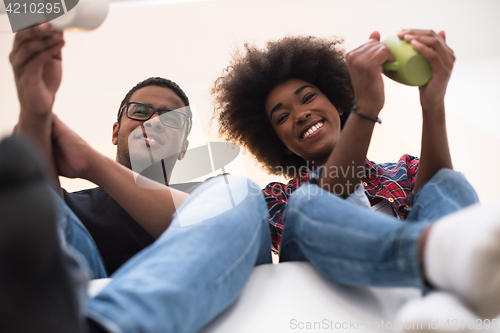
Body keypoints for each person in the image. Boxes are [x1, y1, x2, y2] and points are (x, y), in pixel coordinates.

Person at [213, 30, 500, 319]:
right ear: (280, 144)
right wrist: (366, 108)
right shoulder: (276, 197)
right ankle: (436, 256)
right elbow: (326, 199)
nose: (300, 114)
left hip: (421, 304)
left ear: (338, 105)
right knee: (308, 201)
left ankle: (443, 301)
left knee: (448, 181)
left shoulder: (405, 170)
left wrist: (433, 103)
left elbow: (441, 191)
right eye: (282, 117)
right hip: (341, 289)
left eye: (308, 97)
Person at [10, 22, 198, 275]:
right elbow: (32, 209)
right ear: (115, 133)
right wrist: (35, 106)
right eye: (140, 111)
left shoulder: (205, 196)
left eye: (172, 119)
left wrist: (90, 163)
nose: (154, 122)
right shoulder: (71, 209)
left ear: (184, 148)